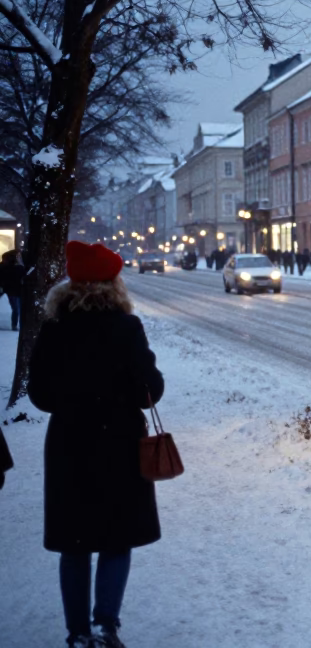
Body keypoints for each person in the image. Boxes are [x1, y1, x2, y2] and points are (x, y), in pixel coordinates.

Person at [27, 242, 165, 648]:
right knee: (116, 538)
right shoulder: (126, 327)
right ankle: (106, 627)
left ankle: (78, 634)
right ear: (112, 283)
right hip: (120, 442)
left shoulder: (54, 328)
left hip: (70, 442)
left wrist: (72, 404)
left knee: (75, 543)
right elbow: (150, 391)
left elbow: (39, 394)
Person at [1, 249, 23, 330]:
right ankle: (15, 325)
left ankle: (15, 325)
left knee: (16, 308)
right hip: (14, 290)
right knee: (17, 309)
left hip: (13, 290)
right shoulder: (17, 267)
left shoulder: (6, 267)